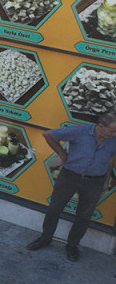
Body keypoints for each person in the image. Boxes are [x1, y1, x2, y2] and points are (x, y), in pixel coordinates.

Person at [26, 112, 116, 262]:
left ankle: (72, 245)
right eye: (112, 130)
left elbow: (110, 158)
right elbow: (48, 134)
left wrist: (106, 180)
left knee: (84, 216)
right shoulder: (80, 131)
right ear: (101, 126)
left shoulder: (113, 140)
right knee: (55, 209)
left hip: (95, 181)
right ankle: (45, 238)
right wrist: (61, 153)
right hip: (69, 177)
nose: (114, 134)